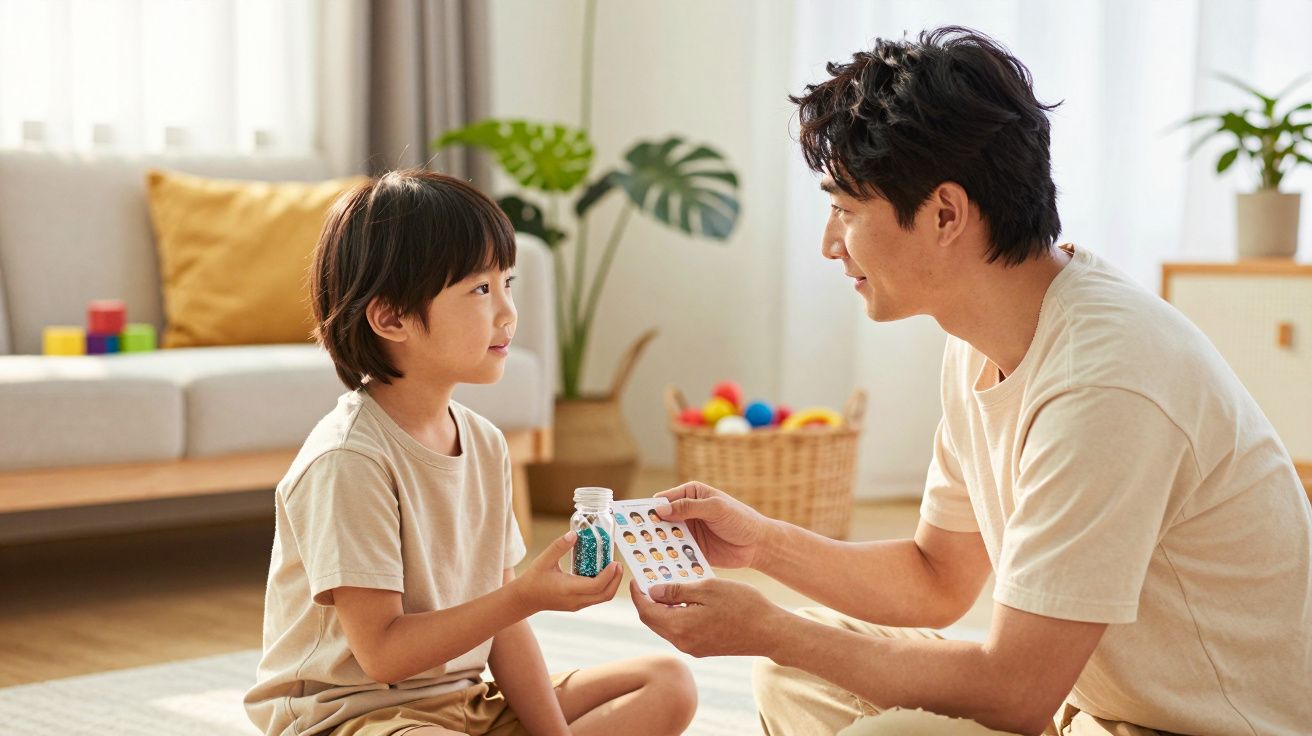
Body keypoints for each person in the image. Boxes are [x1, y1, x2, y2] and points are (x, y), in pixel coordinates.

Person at [630, 27, 1312, 736]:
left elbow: (1016, 692)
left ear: (946, 214)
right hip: (1095, 714)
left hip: (1206, 729)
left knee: (883, 726)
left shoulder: (1103, 382)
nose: (830, 244)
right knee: (800, 671)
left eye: (845, 210)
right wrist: (762, 546)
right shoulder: (983, 336)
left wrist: (772, 628)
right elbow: (937, 577)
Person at [245, 170, 697, 736]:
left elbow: (505, 630)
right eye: (480, 290)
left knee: (665, 682)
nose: (507, 312)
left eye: (506, 283)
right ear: (391, 317)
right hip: (356, 716)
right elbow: (384, 654)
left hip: (465, 706)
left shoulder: (484, 442)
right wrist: (523, 597)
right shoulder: (349, 461)